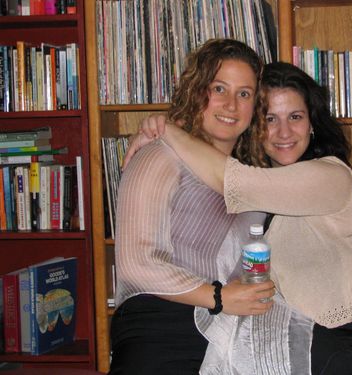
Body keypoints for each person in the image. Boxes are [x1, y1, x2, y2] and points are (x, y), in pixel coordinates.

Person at [125, 61, 352, 374]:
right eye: (270, 119)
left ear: (312, 123)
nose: (284, 132)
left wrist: (165, 131)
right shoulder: (257, 181)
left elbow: (229, 179)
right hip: (274, 335)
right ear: (256, 126)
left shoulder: (330, 175)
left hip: (339, 335)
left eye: (295, 117)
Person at [108, 39, 276, 375]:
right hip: (160, 322)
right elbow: (134, 265)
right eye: (219, 88)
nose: (231, 105)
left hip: (227, 328)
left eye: (244, 94)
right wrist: (218, 297)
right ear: (197, 91)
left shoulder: (253, 178)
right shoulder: (159, 155)